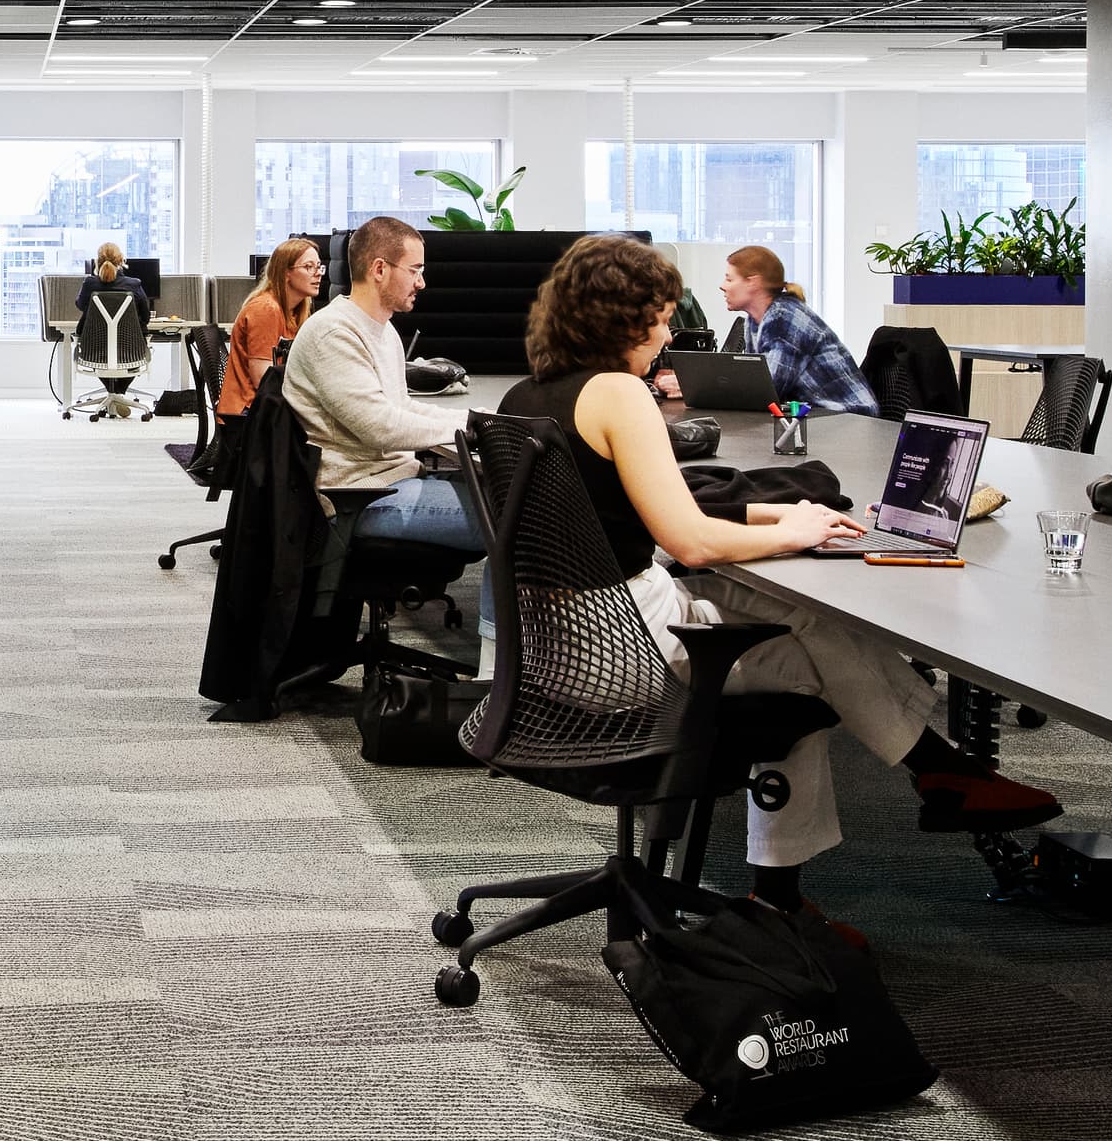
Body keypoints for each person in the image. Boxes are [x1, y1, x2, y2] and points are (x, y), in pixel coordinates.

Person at [508, 234, 1063, 918]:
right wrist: (797, 532)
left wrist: (779, 516)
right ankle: (786, 895)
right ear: (622, 318)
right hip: (624, 650)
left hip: (559, 647)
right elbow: (688, 539)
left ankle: (944, 770)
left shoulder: (527, 395)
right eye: (659, 316)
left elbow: (657, 506)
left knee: (779, 604)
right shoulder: (618, 392)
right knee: (801, 667)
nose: (666, 333)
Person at [282, 216, 483, 582]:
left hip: (391, 482)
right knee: (513, 519)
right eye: (415, 270)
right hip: (358, 497)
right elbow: (379, 427)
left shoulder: (381, 327)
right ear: (379, 269)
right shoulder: (335, 333)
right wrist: (467, 427)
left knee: (506, 501)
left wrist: (473, 418)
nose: (421, 282)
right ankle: (502, 640)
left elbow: (399, 406)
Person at [651, 244, 873, 415]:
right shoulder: (755, 319)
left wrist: (692, 385)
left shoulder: (785, 317)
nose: (723, 285)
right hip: (816, 416)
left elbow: (765, 390)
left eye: (729, 278)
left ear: (753, 283)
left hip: (848, 417)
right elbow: (751, 378)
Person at [221, 235, 321, 419]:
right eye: (308, 267)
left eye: (318, 266)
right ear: (286, 273)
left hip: (264, 409)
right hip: (248, 415)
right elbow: (264, 380)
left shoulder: (292, 311)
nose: (318, 273)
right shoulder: (266, 309)